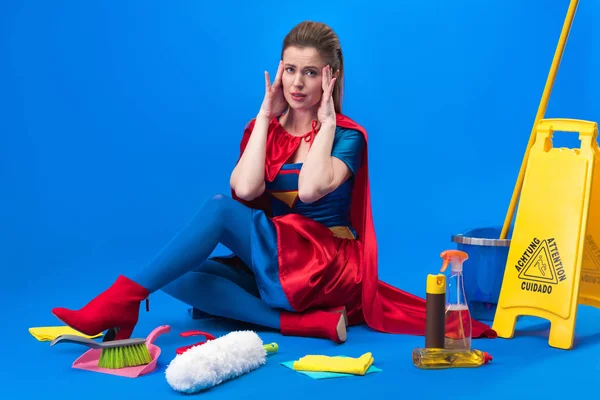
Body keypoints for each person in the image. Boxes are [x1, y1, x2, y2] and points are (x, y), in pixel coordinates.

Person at [51, 21, 497, 344]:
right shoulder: (262, 127)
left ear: (330, 77)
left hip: (331, 262)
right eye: (289, 70)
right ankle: (301, 324)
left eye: (310, 72)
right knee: (175, 272)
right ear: (278, 71)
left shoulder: (348, 136)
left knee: (218, 211)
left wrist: (324, 125)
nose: (297, 82)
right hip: (279, 261)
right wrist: (265, 117)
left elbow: (308, 191)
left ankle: (121, 298)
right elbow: (245, 190)